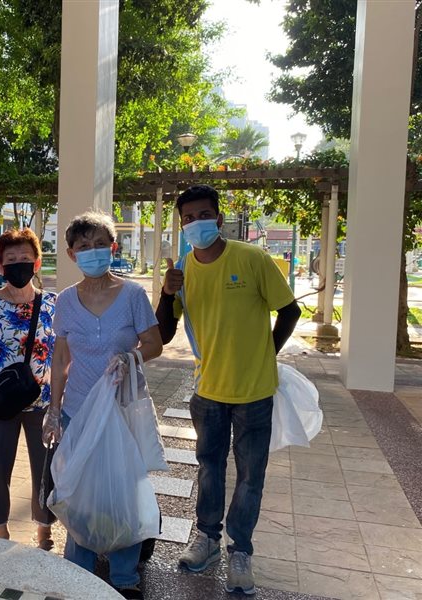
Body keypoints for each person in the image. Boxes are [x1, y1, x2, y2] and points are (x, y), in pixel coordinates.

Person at [156, 185, 301, 595]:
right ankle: (207, 538)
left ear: (219, 219)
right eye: (188, 218)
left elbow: (290, 310)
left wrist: (267, 353)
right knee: (209, 468)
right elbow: (163, 334)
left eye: (204, 215)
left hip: (254, 392)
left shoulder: (252, 258)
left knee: (251, 476)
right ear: (181, 225)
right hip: (208, 392)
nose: (196, 223)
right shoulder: (182, 270)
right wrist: (167, 293)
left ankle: (241, 551)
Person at [44, 211, 163, 600]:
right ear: (71, 253)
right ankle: (80, 569)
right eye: (83, 246)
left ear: (113, 248)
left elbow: (154, 343)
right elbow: (60, 359)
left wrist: (131, 357)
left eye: (99, 244)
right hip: (78, 409)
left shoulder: (132, 295)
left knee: (122, 491)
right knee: (79, 491)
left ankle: (124, 574)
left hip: (121, 408)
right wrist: (53, 410)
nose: (92, 251)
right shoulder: (65, 300)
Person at [0, 228, 58, 550]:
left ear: (37, 263)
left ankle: (44, 530)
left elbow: (63, 354)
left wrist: (59, 403)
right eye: (11, 259)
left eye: (25, 258)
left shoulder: (53, 304)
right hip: (0, 403)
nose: (18, 264)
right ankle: (0, 532)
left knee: (46, 468)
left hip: (42, 401)